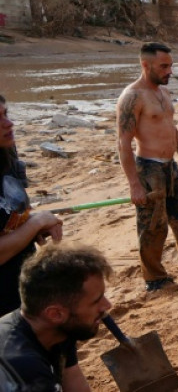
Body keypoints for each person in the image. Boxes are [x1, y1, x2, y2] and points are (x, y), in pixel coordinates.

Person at [116, 43, 178, 293]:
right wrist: (134, 184)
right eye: (164, 66)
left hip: (171, 167)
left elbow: (171, 128)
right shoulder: (132, 97)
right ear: (145, 65)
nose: (170, 71)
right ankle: (154, 278)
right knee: (152, 226)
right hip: (148, 169)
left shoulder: (163, 93)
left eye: (171, 65)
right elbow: (123, 142)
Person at [0, 243, 113, 392]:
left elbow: (74, 383)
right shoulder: (25, 371)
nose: (107, 305)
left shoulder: (59, 329)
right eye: (96, 301)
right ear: (55, 314)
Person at [0, 94, 63, 316]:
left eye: (6, 114)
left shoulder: (6, 155)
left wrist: (35, 225)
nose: (9, 123)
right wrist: (35, 223)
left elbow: (10, 213)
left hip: (22, 292)